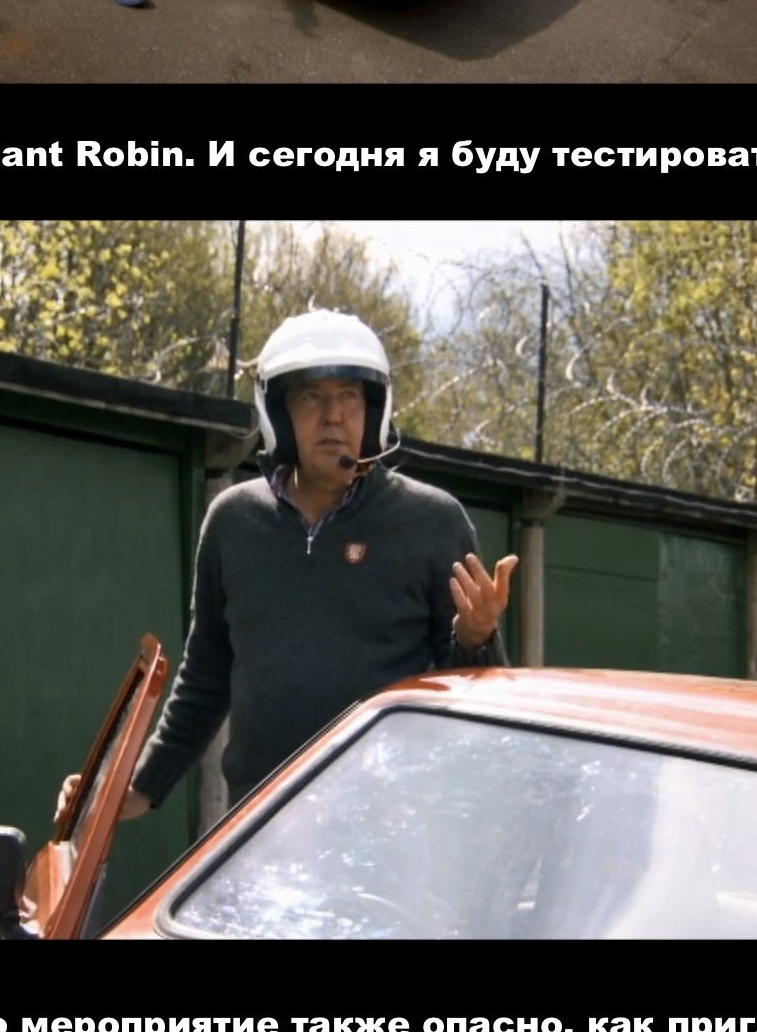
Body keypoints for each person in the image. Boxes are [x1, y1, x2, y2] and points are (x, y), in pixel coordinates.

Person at [122, 313, 517, 845]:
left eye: (349, 396)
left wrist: (477, 639)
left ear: (373, 408)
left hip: (391, 837)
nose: (333, 417)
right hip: (259, 827)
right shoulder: (233, 522)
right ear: (279, 413)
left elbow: (476, 702)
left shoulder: (433, 521)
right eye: (312, 397)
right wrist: (141, 786)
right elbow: (206, 676)